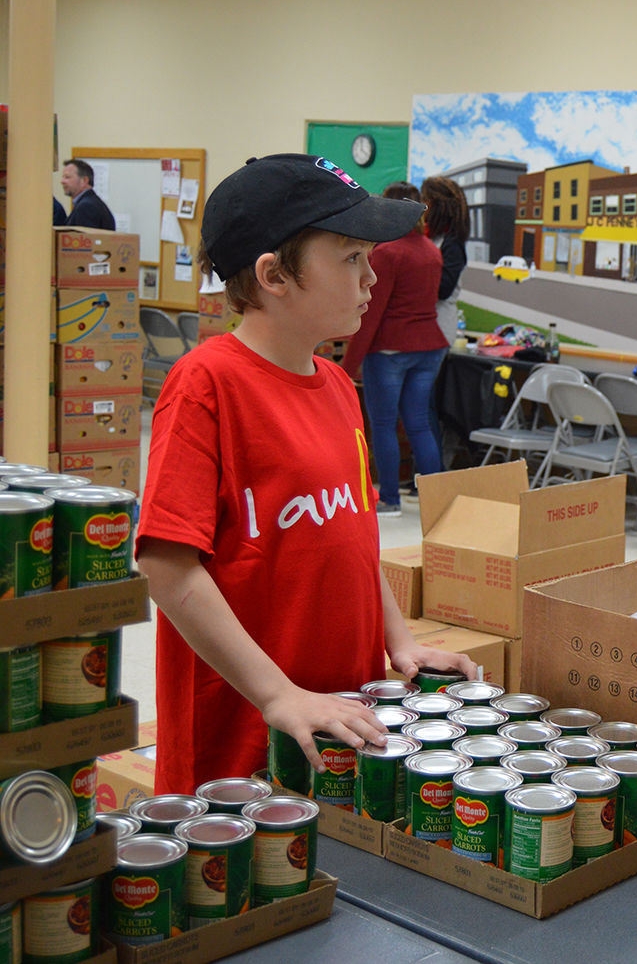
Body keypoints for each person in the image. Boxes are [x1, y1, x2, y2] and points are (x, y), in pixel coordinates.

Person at [136, 154, 477, 794]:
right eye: (351, 258)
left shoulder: (338, 387)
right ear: (274, 275)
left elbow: (351, 535)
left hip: (341, 721)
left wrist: (398, 640)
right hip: (243, 741)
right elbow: (166, 564)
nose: (371, 278)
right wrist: (279, 695)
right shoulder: (206, 386)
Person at [340, 181, 448, 515]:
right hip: (430, 346)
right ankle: (439, 503)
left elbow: (371, 314)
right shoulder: (431, 250)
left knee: (383, 425)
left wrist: (348, 366)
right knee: (418, 424)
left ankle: (389, 498)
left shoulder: (387, 253)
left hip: (389, 350)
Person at [420, 175, 472, 458]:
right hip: (425, 329)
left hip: (438, 329)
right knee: (419, 405)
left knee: (423, 405)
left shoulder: (452, 245)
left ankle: (432, 471)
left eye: (425, 201)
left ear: (438, 205)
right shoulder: (433, 238)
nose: (421, 206)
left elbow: (442, 289)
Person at [60, 158, 116, 230]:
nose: (62, 181)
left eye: (67, 177)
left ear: (84, 180)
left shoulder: (87, 206)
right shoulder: (90, 202)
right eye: (63, 177)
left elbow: (85, 239)